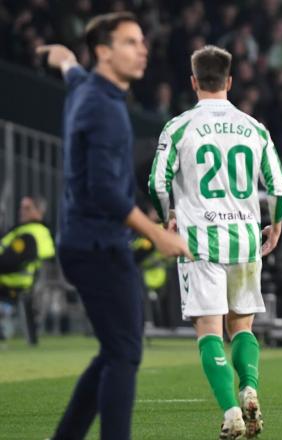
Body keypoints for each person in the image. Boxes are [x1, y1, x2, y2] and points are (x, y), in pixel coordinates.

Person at [36, 12, 191, 440]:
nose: (142, 49)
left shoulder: (87, 86)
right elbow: (106, 192)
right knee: (125, 352)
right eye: (129, 42)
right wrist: (157, 234)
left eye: (141, 41)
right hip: (97, 246)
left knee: (115, 350)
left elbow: (72, 72)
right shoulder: (101, 106)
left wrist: (61, 58)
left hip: (86, 242)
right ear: (104, 52)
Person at [149, 45, 282, 439]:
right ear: (230, 81)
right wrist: (274, 225)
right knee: (242, 326)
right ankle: (250, 388)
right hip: (244, 241)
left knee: (209, 330)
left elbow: (157, 182)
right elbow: (278, 186)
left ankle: (231, 413)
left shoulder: (179, 127)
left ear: (193, 82)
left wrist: (167, 217)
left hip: (199, 243)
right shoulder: (254, 127)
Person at [0, 195, 55, 344]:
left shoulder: (29, 235)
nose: (22, 211)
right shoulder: (37, 231)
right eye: (21, 207)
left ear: (39, 211)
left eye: (27, 208)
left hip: (12, 283)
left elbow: (8, 262)